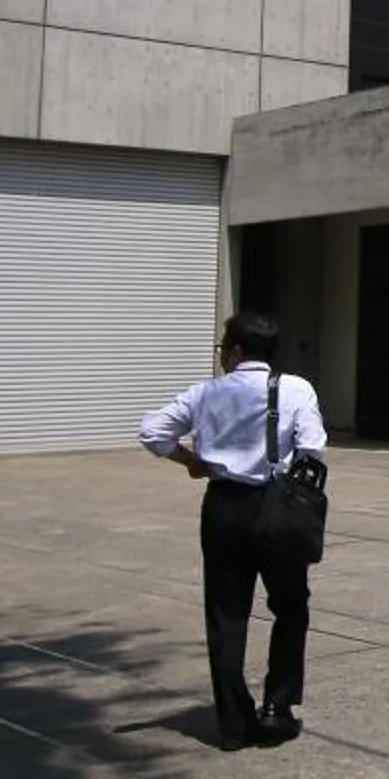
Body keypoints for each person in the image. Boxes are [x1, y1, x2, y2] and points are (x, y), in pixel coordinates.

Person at [140, 310, 327, 751]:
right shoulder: (296, 388)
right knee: (290, 605)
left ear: (236, 351)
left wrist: (192, 462)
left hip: (224, 506)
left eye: (223, 346)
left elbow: (152, 431)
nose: (222, 354)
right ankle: (277, 709)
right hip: (277, 507)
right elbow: (313, 448)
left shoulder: (205, 393)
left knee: (227, 613)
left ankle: (233, 722)